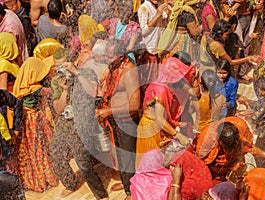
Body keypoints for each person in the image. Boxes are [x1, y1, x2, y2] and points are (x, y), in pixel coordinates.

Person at [49, 48, 109, 199]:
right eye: (58, 67)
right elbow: (57, 109)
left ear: (72, 62)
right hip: (65, 122)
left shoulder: (86, 73)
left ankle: (100, 194)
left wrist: (76, 73)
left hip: (83, 122)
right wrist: (64, 90)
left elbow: (93, 91)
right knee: (55, 153)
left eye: (64, 65)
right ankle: (70, 183)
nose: (61, 70)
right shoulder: (57, 80)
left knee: (83, 163)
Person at [95, 39, 141, 199]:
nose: (106, 61)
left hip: (127, 123)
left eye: (109, 57)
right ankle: (126, 185)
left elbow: (135, 105)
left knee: (128, 158)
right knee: (120, 157)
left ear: (121, 55)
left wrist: (109, 111)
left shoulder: (129, 72)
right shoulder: (114, 66)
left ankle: (131, 192)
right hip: (115, 121)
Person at [136, 55, 196, 168]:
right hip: (151, 129)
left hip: (159, 128)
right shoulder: (160, 89)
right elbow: (159, 119)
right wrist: (178, 135)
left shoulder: (167, 87)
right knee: (152, 166)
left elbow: (195, 93)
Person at [13, 57, 58, 192]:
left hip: (25, 122)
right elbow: (51, 92)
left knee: (28, 151)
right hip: (35, 120)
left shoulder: (21, 86)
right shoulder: (36, 88)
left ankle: (31, 180)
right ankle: (45, 178)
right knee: (40, 149)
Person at [195, 117, 253, 183]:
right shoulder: (206, 138)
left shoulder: (240, 125)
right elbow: (199, 160)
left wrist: (237, 161)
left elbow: (247, 146)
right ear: (219, 140)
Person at [238, 77, 265, 169]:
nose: (260, 91)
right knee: (264, 155)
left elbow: (256, 116)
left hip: (264, 133)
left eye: (263, 90)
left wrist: (246, 113)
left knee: (260, 156)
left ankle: (262, 175)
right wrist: (248, 102)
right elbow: (258, 105)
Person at [137, 0, 169, 102]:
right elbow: (144, 31)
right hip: (149, 51)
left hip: (159, 49)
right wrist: (158, 15)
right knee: (148, 83)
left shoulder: (159, 5)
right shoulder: (144, 8)